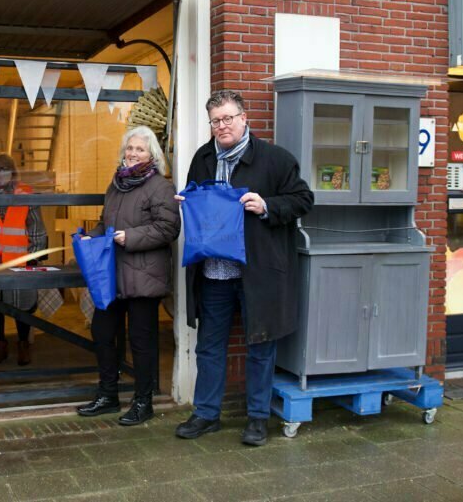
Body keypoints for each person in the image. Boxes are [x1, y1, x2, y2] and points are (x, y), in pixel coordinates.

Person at [175, 90, 313, 446]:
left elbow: (303, 200)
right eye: (215, 121)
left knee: (260, 346)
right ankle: (206, 414)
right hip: (214, 272)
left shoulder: (275, 159)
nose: (222, 126)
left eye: (228, 118)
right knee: (209, 346)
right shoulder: (203, 158)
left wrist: (266, 205)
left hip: (258, 272)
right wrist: (186, 201)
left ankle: (257, 418)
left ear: (244, 118)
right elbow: (195, 197)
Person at [76, 126, 180, 425]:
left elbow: (168, 229)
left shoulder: (161, 187)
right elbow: (105, 223)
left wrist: (129, 237)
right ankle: (108, 395)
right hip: (113, 275)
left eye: (140, 149)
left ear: (152, 155)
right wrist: (91, 237)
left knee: (141, 341)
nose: (133, 153)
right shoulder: (117, 184)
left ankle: (142, 402)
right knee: (103, 333)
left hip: (144, 277)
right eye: (130, 148)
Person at [0, 153, 48, 366]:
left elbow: (37, 228)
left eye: (5, 169)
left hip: (20, 260)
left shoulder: (26, 194)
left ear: (12, 172)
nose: (0, 173)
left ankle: (23, 345)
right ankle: (0, 344)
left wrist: (34, 256)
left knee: (23, 305)